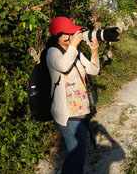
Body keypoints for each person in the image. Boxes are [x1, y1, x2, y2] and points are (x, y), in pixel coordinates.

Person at [46, 16, 100, 174]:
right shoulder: (52, 52)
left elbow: (93, 70)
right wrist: (74, 45)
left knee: (78, 154)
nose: (70, 37)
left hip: (82, 109)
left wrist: (94, 50)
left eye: (72, 33)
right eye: (67, 34)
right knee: (77, 154)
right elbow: (63, 66)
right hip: (67, 113)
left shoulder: (75, 53)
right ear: (58, 35)